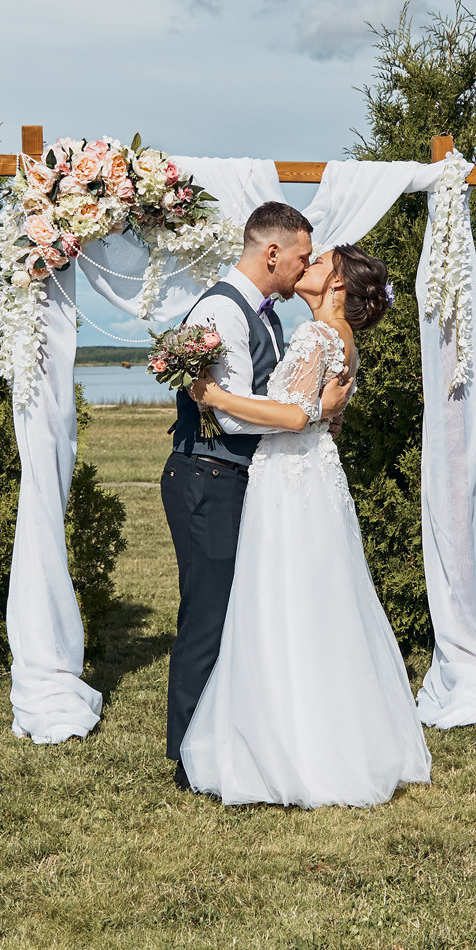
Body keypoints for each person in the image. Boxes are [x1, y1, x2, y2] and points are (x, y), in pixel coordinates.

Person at [177, 245, 429, 807]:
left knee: (282, 597)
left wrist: (213, 395)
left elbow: (294, 415)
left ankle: (289, 748)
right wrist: (319, 412)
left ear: (336, 285)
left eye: (321, 262)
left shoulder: (318, 336)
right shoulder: (343, 338)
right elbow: (317, 412)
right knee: (316, 599)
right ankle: (323, 736)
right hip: (311, 475)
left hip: (291, 475)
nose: (309, 266)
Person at [160, 202, 351, 785]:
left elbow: (264, 400)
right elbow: (238, 420)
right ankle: (190, 756)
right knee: (208, 616)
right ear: (273, 253)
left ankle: (230, 741)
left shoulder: (266, 315)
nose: (304, 267)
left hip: (239, 480)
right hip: (208, 478)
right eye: (300, 256)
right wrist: (313, 413)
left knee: (240, 614)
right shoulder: (223, 309)